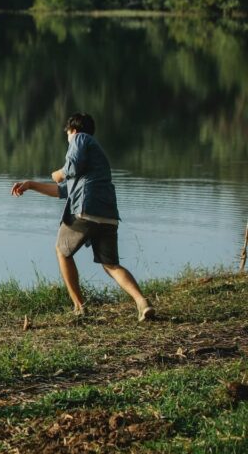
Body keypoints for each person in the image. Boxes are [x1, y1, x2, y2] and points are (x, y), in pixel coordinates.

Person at [11, 113, 155, 321]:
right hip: (107, 215)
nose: (68, 140)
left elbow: (69, 169)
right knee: (111, 265)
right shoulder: (93, 163)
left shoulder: (81, 139)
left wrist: (59, 173)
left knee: (62, 251)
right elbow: (63, 192)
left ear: (73, 130)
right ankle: (142, 302)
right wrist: (31, 185)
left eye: (67, 135)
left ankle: (79, 307)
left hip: (87, 209)